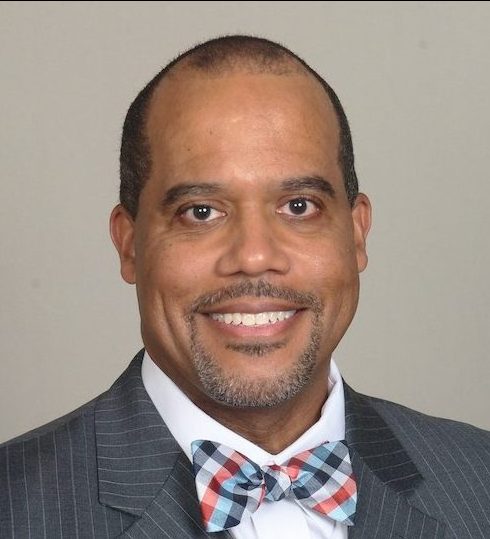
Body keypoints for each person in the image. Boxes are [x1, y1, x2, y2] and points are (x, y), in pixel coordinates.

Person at [1, 35, 489, 539]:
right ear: (129, 245)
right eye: (201, 212)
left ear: (357, 233)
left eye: (299, 206)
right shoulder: (14, 510)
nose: (254, 256)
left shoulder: (480, 482)